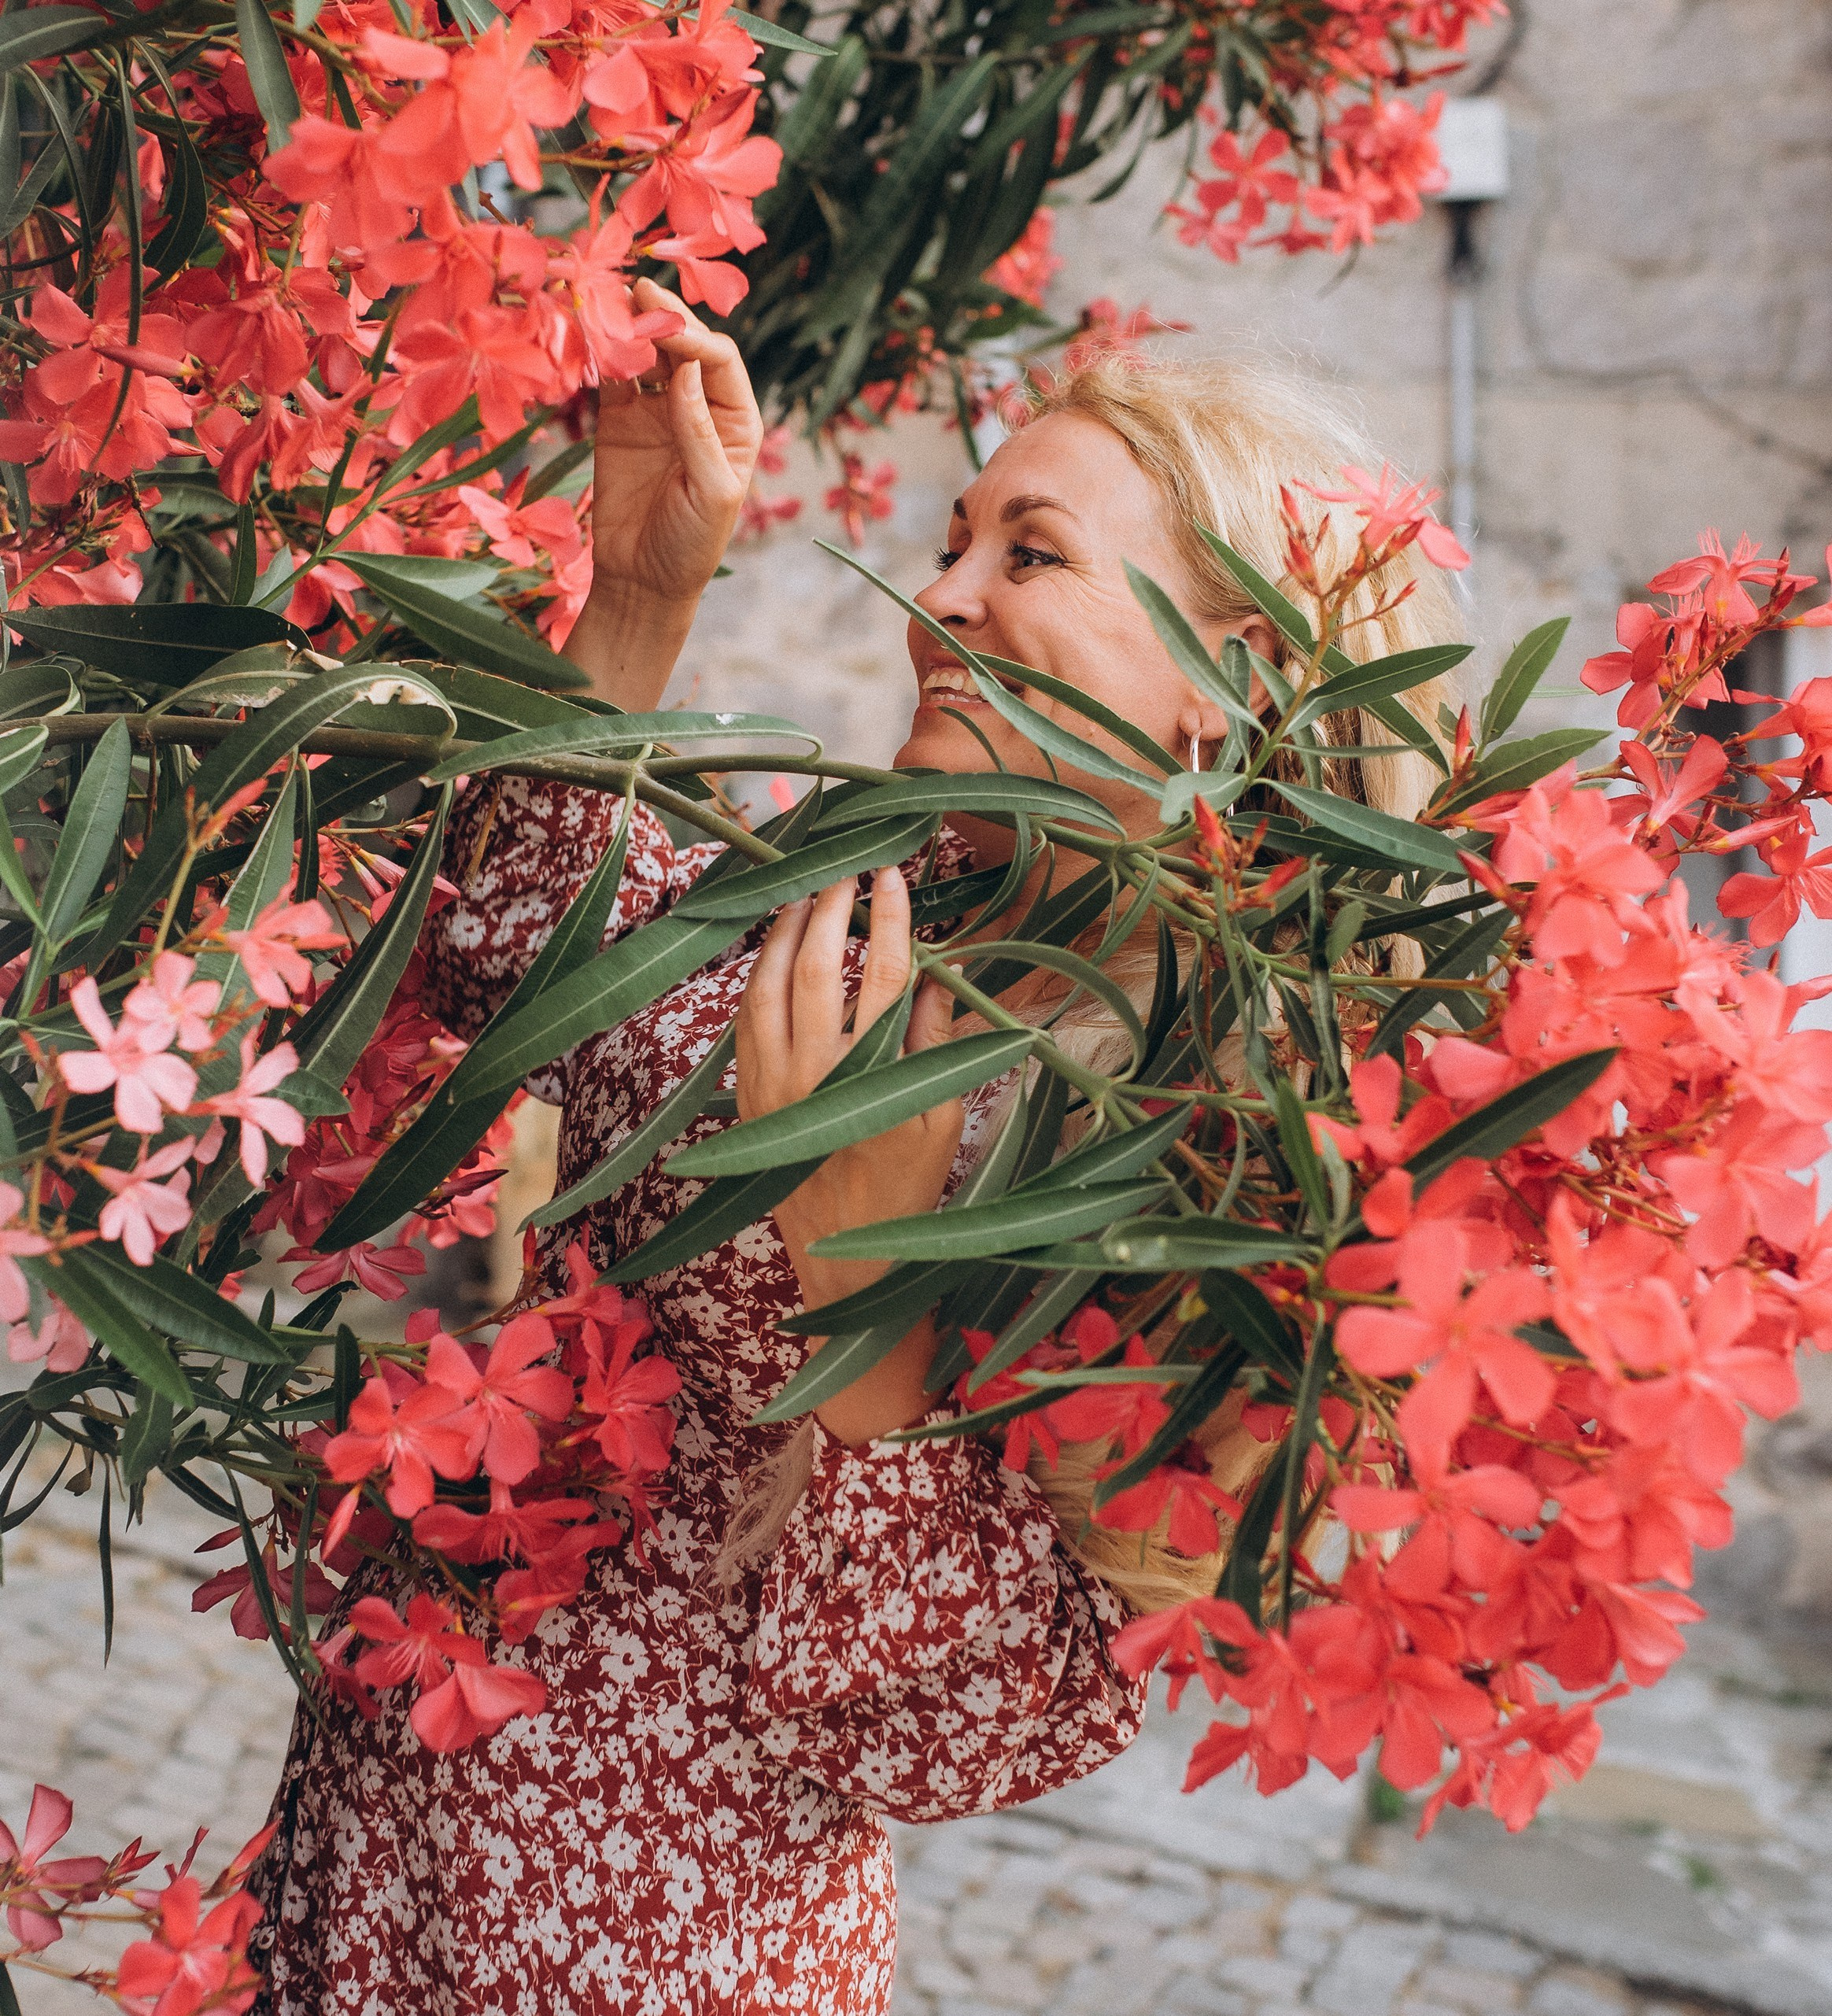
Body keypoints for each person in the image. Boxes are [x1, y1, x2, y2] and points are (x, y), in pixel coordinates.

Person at [250, 282, 1460, 2014]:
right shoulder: (884, 890)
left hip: (641, 1944)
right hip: (387, 1829)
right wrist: (648, 583)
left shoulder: (1225, 1142)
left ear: (1230, 679)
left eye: (1027, 555)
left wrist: (868, 1299)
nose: (939, 597)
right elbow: (501, 953)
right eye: (958, 540)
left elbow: (967, 1727)